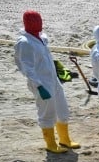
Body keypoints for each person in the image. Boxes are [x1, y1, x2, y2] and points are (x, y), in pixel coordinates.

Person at [14, 10, 79, 153]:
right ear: (27, 23)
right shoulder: (24, 43)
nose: (39, 24)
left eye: (39, 20)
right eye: (34, 21)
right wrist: (39, 86)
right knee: (47, 111)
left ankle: (65, 139)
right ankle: (50, 143)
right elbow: (27, 67)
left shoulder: (42, 38)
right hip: (41, 82)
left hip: (53, 79)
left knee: (62, 108)